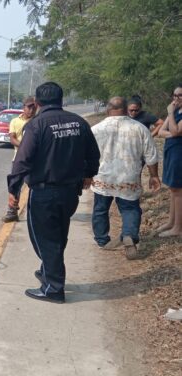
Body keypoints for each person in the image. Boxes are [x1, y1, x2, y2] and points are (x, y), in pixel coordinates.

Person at [7, 82, 100, 304]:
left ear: (38, 103)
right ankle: (48, 271)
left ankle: (53, 288)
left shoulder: (37, 125)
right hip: (70, 193)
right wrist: (89, 173)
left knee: (45, 240)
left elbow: (22, 160)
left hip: (44, 193)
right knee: (58, 235)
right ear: (61, 100)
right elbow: (93, 153)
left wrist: (14, 189)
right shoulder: (79, 122)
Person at [90, 97, 160, 259]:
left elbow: (86, 155)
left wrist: (85, 176)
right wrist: (154, 176)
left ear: (108, 109)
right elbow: (151, 155)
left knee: (100, 210)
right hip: (128, 177)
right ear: (126, 109)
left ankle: (102, 240)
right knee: (130, 209)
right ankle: (129, 235)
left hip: (102, 178)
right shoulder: (139, 128)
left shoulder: (96, 129)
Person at [2, 96, 36, 222]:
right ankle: (12, 212)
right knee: (15, 186)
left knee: (35, 186)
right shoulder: (15, 122)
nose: (31, 110)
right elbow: (12, 138)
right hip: (19, 160)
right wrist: (25, 147)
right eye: (29, 107)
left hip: (36, 161)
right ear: (24, 107)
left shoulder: (38, 121)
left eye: (34, 107)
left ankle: (36, 212)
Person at [157, 84, 182, 237]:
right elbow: (160, 132)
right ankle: (171, 222)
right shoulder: (174, 111)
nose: (176, 98)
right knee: (172, 188)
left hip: (179, 154)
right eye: (175, 95)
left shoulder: (173, 112)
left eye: (180, 95)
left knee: (178, 189)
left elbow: (175, 129)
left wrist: (170, 114)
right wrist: (173, 133)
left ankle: (178, 228)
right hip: (170, 151)